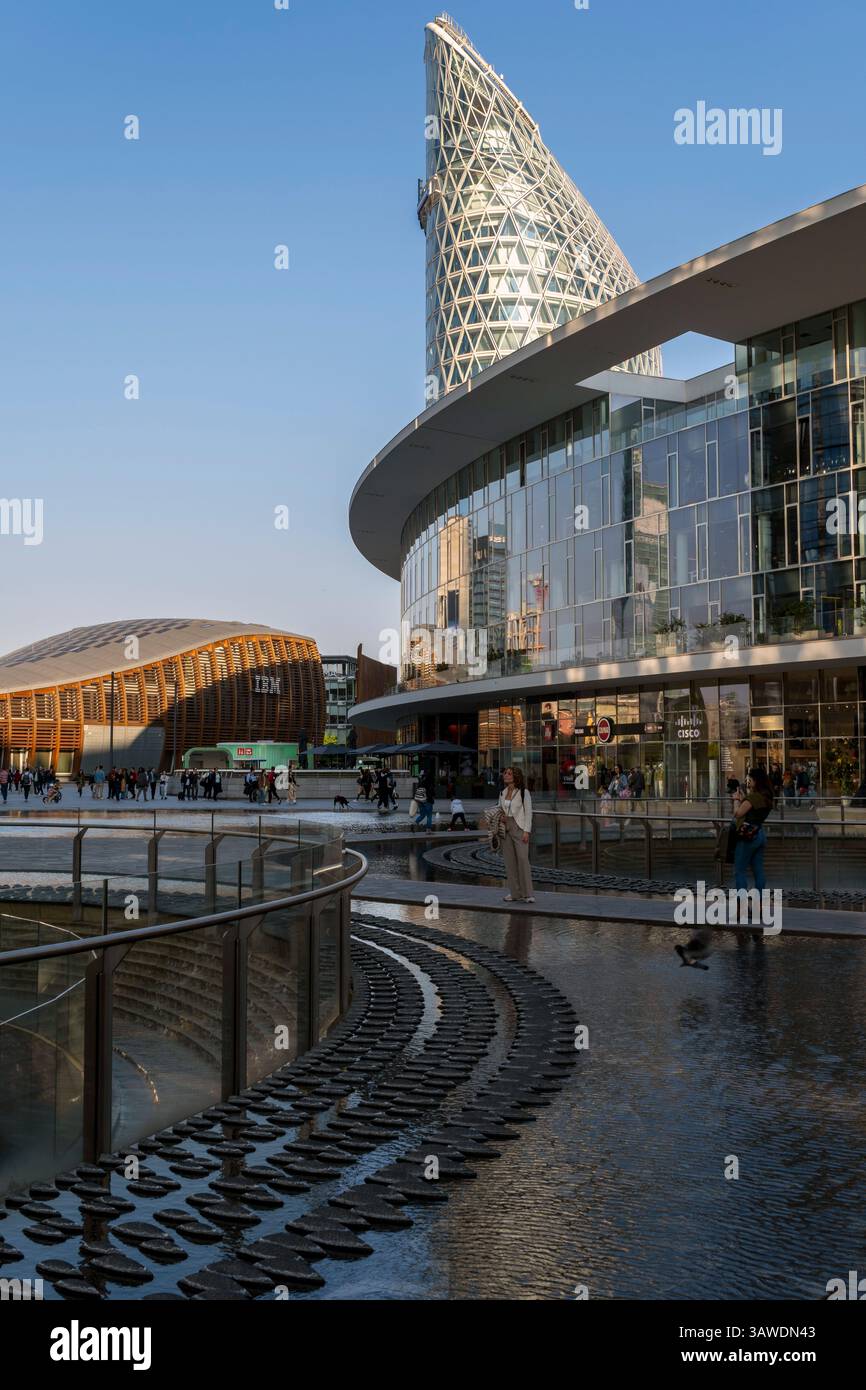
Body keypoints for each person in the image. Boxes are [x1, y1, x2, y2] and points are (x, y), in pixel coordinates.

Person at [729, 767, 774, 906]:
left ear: (756, 781)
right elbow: (752, 807)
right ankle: (759, 906)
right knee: (758, 872)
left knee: (740, 871)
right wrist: (745, 800)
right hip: (759, 834)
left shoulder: (754, 797)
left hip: (747, 836)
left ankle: (741, 907)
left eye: (750, 780)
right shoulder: (766, 797)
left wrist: (737, 800)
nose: (749, 782)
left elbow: (738, 814)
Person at [498, 766, 534, 903]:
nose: (505, 775)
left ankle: (528, 894)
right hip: (506, 828)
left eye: (509, 774)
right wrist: (502, 816)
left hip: (519, 828)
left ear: (515, 776)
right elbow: (500, 809)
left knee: (523, 860)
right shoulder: (502, 792)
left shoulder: (524, 792)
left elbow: (529, 813)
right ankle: (514, 893)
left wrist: (526, 831)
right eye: (505, 773)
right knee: (509, 862)